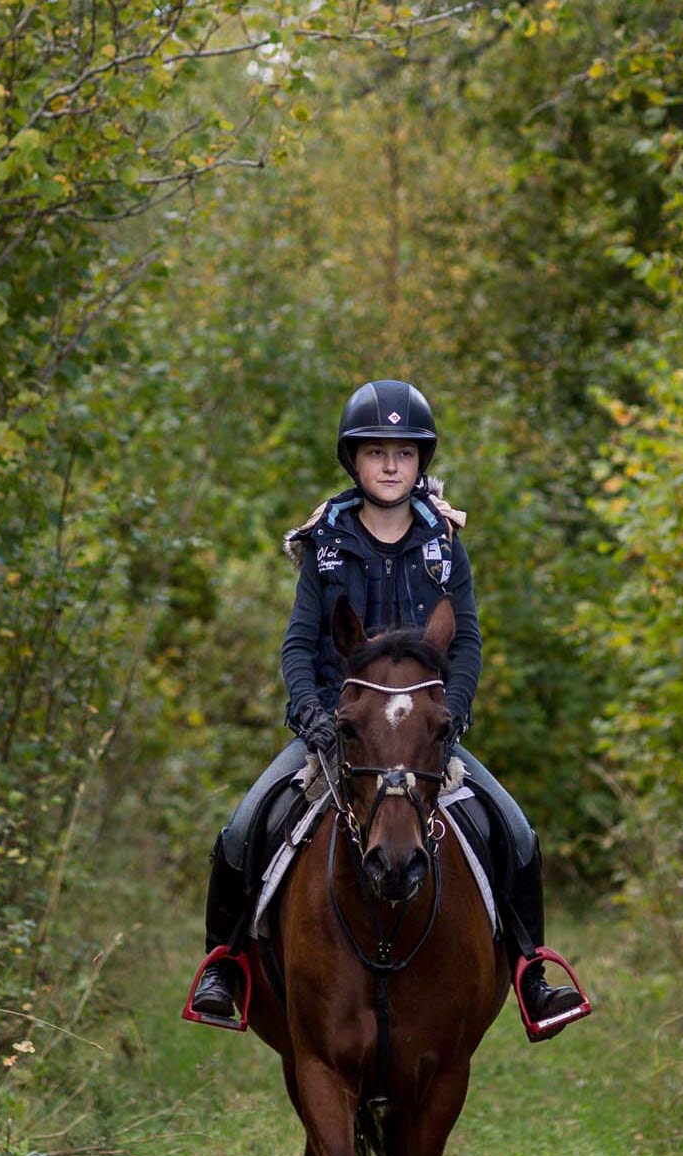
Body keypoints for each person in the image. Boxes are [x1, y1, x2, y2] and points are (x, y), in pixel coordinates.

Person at [185, 378, 590, 1037]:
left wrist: (452, 716)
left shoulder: (445, 544)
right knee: (241, 828)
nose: (392, 465)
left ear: (421, 461)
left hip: (425, 737)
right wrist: (312, 716)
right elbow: (297, 643)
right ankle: (223, 967)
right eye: (377, 452)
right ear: (355, 462)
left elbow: (468, 641)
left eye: (404, 452)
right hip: (339, 734)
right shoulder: (326, 543)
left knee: (516, 833)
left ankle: (531, 974)